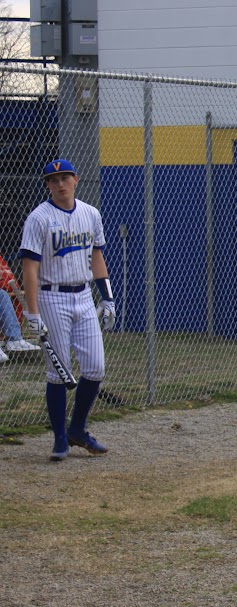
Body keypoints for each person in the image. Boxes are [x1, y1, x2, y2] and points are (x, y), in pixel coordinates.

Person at [19, 159, 116, 461]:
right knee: (57, 373)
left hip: (83, 295)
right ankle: (60, 438)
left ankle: (77, 429)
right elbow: (30, 268)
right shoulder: (39, 218)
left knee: (96, 367)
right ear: (47, 185)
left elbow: (97, 256)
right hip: (52, 297)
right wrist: (32, 313)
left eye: (64, 177)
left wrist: (108, 298)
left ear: (76, 179)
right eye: (53, 179)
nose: (60, 184)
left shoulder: (91, 214)